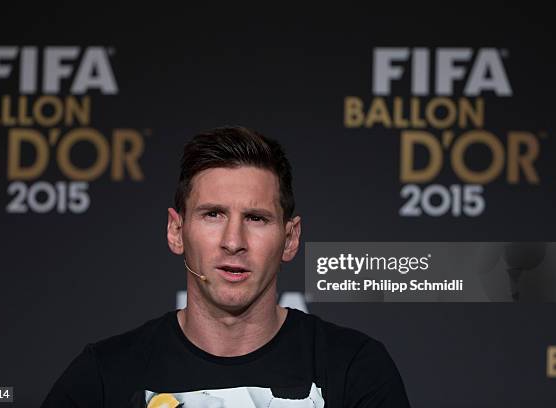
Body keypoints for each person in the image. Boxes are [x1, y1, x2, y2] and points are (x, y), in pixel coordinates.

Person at [41, 126, 410, 408]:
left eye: (256, 218)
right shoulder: (105, 376)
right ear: (176, 231)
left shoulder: (354, 368)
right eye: (213, 214)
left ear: (291, 238)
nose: (233, 241)